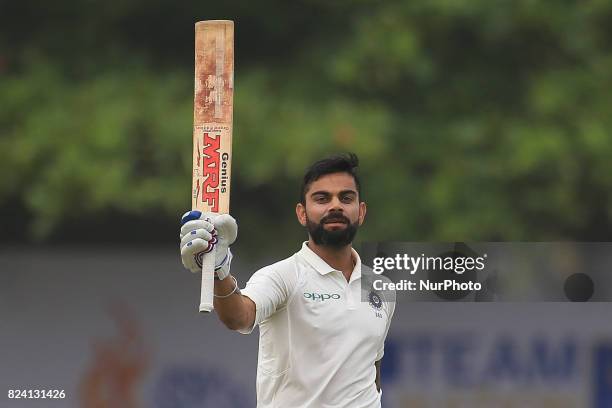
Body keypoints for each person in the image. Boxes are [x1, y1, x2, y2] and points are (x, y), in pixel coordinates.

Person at [179, 153, 395, 407]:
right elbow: (238, 316)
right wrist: (219, 270)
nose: (335, 206)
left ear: (361, 211)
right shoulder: (284, 276)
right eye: (322, 198)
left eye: (346, 198)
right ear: (302, 213)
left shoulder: (382, 288)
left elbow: (371, 369)